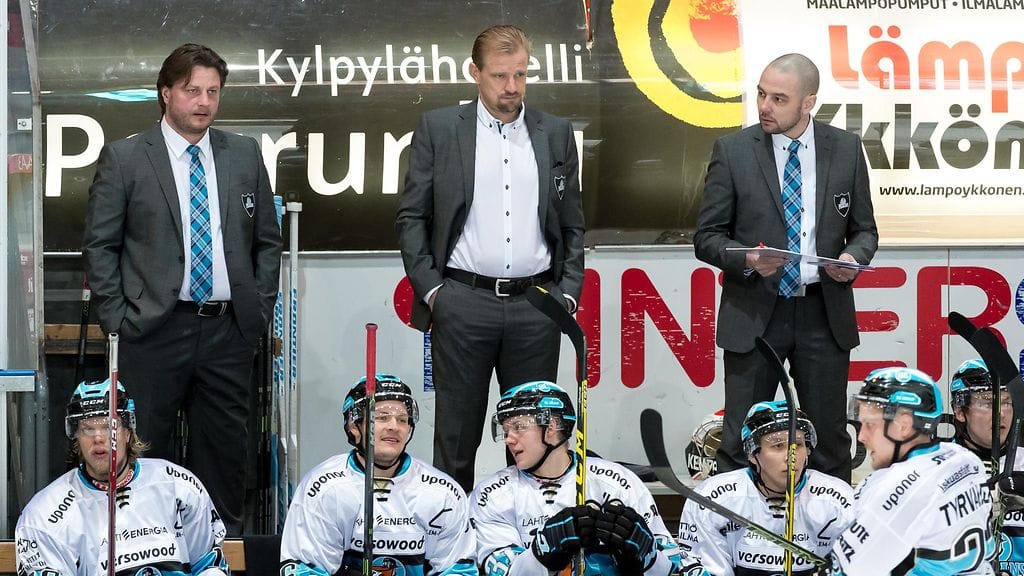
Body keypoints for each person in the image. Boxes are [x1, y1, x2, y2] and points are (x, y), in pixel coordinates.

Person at [82, 43, 283, 535]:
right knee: (145, 452)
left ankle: (218, 555)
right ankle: (145, 550)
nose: (204, 102)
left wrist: (256, 308)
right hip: (150, 332)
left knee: (224, 455)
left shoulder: (244, 153)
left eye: (213, 91)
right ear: (166, 93)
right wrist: (117, 318)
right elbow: (100, 245)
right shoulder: (126, 158)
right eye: (193, 90)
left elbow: (267, 243)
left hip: (227, 331)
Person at [395, 24, 585, 493]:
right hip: (463, 302)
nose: (512, 88)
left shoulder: (556, 134)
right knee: (456, 437)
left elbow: (572, 222)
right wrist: (434, 291)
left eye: (520, 74)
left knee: (535, 440)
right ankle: (450, 546)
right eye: (500, 76)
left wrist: (567, 295)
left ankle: (529, 544)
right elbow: (411, 216)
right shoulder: (439, 129)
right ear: (474, 72)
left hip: (538, 306)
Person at [693, 52, 878, 483]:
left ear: (808, 102)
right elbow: (707, 237)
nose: (764, 107)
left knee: (830, 439)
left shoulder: (846, 149)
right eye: (761, 94)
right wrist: (749, 260)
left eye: (778, 98)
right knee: (741, 438)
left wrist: (852, 259)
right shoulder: (733, 151)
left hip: (822, 311)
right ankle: (731, 541)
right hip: (756, 311)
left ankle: (832, 541)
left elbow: (865, 230)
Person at [469, 382, 690, 575]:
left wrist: (646, 554)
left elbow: (671, 568)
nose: (509, 439)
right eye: (506, 430)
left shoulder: (618, 482)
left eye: (518, 427)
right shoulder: (492, 495)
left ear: (552, 427)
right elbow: (504, 572)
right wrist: (543, 550)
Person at [16, 379, 229, 575]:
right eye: (87, 429)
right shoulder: (43, 515)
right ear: (76, 437)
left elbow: (210, 565)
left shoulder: (179, 486)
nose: (98, 438)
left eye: (109, 426)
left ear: (128, 432)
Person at [279, 374, 478, 576]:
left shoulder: (443, 492)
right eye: (381, 417)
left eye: (402, 419)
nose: (394, 426)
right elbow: (303, 568)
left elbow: (458, 569)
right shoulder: (323, 488)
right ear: (354, 426)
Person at [830, 367, 996, 574]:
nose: (862, 436)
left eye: (870, 424)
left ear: (903, 425)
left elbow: (845, 571)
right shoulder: (964, 459)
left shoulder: (894, 488)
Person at [678, 401, 854, 575]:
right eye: (778, 446)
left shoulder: (836, 499)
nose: (790, 457)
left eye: (798, 445)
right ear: (753, 453)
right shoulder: (713, 498)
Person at [949, 358, 1024, 574]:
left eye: (1006, 402)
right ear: (960, 411)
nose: (999, 412)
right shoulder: (939, 464)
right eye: (986, 403)